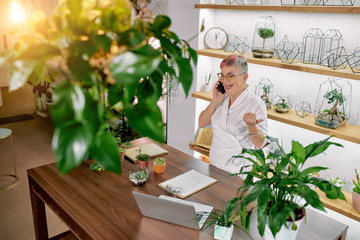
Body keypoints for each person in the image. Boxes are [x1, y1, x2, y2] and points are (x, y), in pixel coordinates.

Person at [198, 54, 268, 174]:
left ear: (244, 77)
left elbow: (264, 145)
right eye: (222, 75)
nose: (225, 81)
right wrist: (215, 101)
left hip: (238, 172)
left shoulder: (255, 103)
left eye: (230, 75)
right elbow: (202, 123)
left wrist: (252, 127)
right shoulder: (222, 98)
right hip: (215, 165)